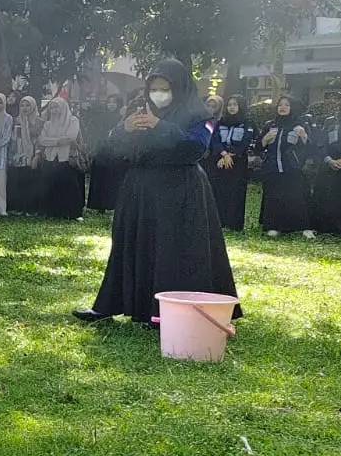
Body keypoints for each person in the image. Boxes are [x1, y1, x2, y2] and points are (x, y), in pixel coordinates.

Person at [77, 59, 239, 325]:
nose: (158, 95)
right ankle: (111, 304)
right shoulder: (139, 112)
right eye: (154, 88)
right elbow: (112, 151)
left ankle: (167, 311)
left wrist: (159, 127)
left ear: (179, 88)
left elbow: (196, 148)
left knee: (171, 250)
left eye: (165, 88)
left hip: (180, 191)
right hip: (140, 189)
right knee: (129, 244)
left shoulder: (198, 116)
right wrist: (123, 130)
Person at [258, 95, 315, 238]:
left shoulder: (300, 124)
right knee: (273, 198)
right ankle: (273, 227)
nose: (282, 107)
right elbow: (258, 147)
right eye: (280, 105)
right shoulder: (270, 125)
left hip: (292, 169)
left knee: (296, 198)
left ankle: (304, 228)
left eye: (286, 105)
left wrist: (303, 137)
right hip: (272, 169)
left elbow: (311, 147)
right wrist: (265, 139)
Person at [206, 94, 254, 231]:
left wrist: (230, 155)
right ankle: (219, 222)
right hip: (220, 160)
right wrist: (224, 154)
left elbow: (246, 142)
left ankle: (234, 224)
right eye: (229, 105)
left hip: (237, 163)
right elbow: (215, 139)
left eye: (235, 105)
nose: (232, 108)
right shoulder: (221, 122)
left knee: (236, 192)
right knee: (219, 191)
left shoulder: (248, 122)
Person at [313, 89, 341, 238]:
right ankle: (328, 228)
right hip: (329, 165)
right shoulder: (330, 121)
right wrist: (329, 160)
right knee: (328, 195)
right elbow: (321, 143)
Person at [35, 96, 86, 219]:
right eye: (51, 107)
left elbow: (71, 137)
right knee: (50, 185)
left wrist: (52, 141)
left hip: (67, 158)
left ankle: (72, 213)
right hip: (51, 158)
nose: (53, 109)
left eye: (56, 106)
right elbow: (42, 140)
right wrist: (59, 141)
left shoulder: (73, 120)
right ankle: (52, 212)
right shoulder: (47, 124)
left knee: (70, 186)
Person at [86, 93, 128, 212]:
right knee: (100, 178)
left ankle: (113, 203)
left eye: (114, 102)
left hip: (115, 152)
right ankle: (99, 205)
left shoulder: (121, 117)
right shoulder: (102, 116)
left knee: (113, 179)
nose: (111, 105)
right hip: (101, 151)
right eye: (109, 102)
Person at [8, 96, 40, 215]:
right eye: (22, 105)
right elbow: (13, 139)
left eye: (28, 105)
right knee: (18, 183)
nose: (25, 108)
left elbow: (39, 140)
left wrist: (36, 156)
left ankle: (31, 209)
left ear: (33, 106)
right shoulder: (16, 120)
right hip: (17, 156)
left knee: (31, 183)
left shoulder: (38, 121)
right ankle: (18, 208)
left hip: (31, 156)